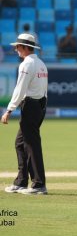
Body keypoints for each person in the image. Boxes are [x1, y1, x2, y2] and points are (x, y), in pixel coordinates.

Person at [1, 34, 48, 195]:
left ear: (26, 47)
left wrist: (9, 110)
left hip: (31, 106)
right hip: (40, 105)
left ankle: (39, 185)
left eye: (18, 46)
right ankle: (21, 182)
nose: (16, 49)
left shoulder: (27, 65)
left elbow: (20, 89)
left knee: (31, 145)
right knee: (21, 143)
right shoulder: (41, 64)